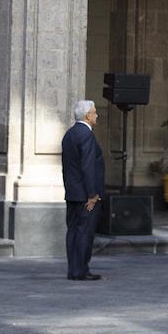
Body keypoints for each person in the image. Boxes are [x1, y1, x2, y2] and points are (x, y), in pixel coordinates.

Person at [61, 100, 105, 281]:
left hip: (72, 192)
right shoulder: (86, 135)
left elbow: (68, 167)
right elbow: (88, 167)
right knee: (84, 233)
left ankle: (74, 269)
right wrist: (92, 194)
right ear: (87, 115)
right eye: (94, 112)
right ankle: (80, 270)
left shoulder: (69, 134)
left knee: (73, 232)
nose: (97, 115)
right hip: (85, 196)